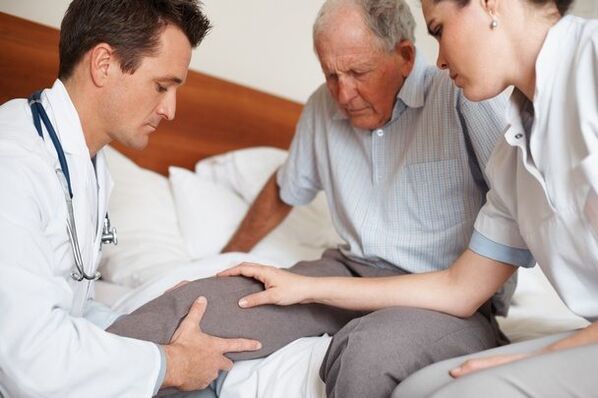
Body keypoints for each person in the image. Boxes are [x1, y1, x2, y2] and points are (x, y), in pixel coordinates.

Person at [107, 1, 522, 397]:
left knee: (368, 354)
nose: (343, 94)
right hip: (347, 271)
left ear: (406, 56)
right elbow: (283, 189)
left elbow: (522, 206)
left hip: (446, 296)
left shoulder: (462, 96)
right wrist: (221, 261)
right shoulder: (322, 110)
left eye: (358, 72)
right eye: (330, 75)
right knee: (195, 304)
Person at [219, 0, 598, 397]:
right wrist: (305, 287)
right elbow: (458, 288)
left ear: (489, 4)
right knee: (419, 390)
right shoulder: (513, 156)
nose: (439, 60)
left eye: (438, 30)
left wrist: (549, 354)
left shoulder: (588, 62)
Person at [0, 1, 262, 397]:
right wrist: (172, 364)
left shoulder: (90, 165)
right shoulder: (13, 164)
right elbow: (31, 359)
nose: (170, 110)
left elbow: (72, 305)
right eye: (162, 86)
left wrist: (155, 312)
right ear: (104, 64)